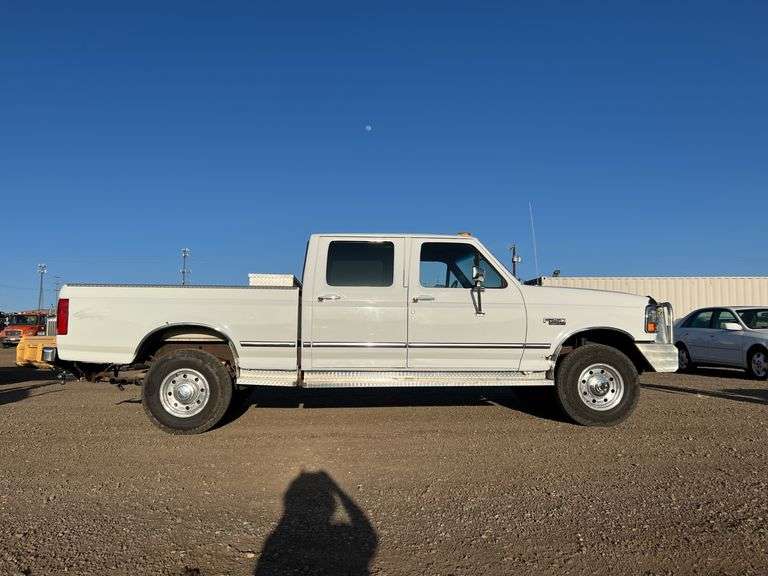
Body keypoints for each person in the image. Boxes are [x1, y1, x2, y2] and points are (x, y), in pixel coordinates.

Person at [254, 470, 377, 576]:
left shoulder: (275, 540)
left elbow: (369, 536)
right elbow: (368, 534)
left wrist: (336, 489)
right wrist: (338, 490)